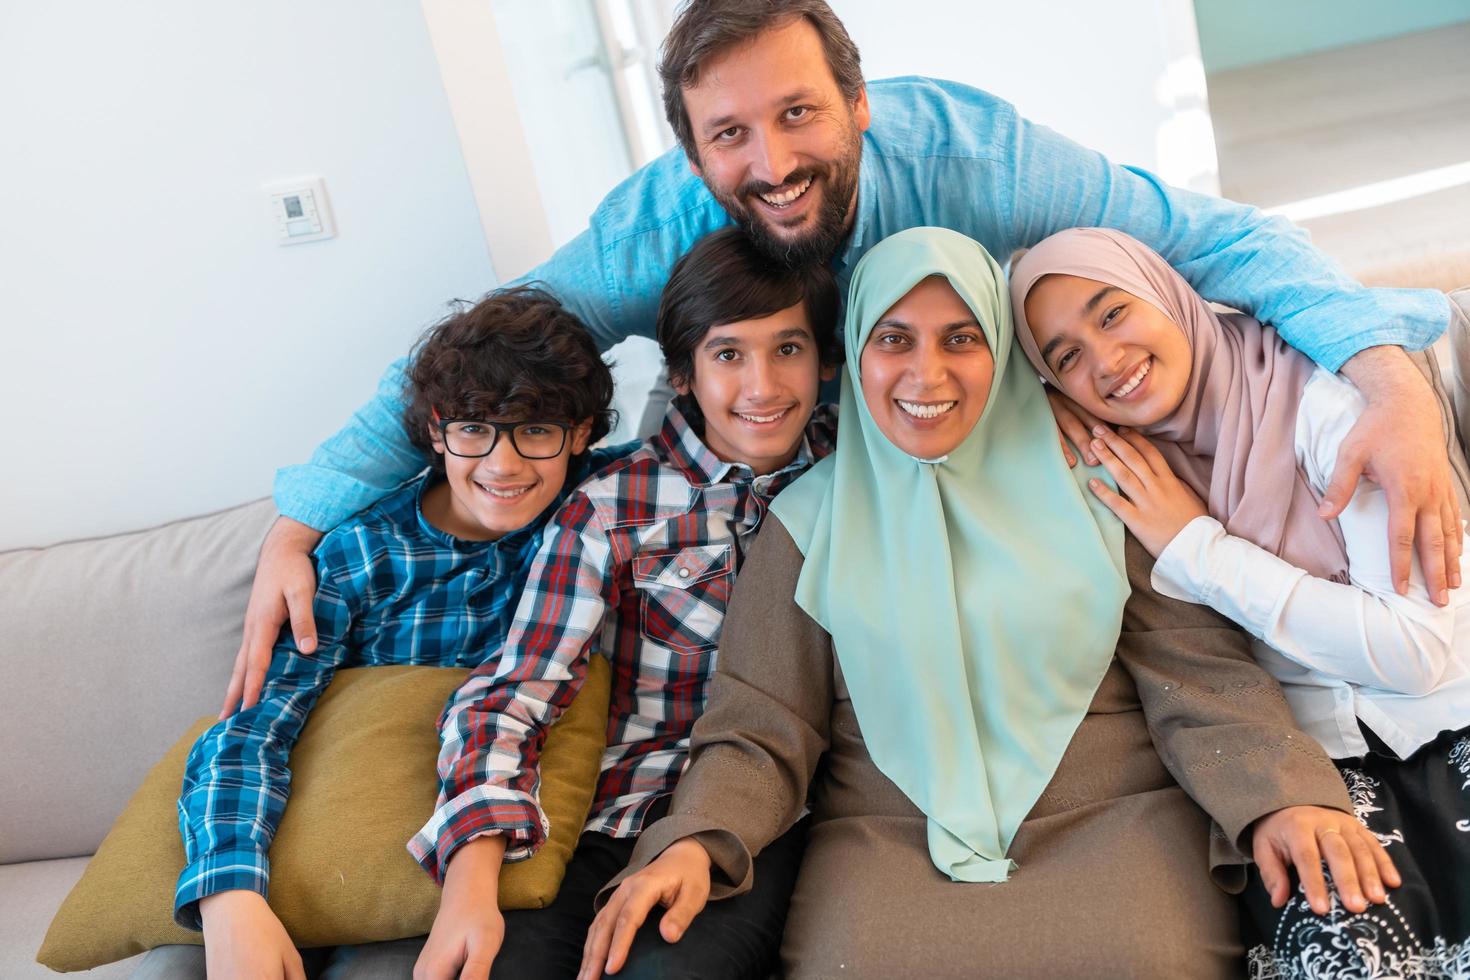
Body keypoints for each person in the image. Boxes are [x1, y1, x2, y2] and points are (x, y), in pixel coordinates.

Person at [226, 0, 1463, 717]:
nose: (769, 160)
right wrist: (303, 515)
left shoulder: (978, 153)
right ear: (694, 155)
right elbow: (495, 345)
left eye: (798, 113)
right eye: (730, 135)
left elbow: (1212, 236)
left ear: (859, 102)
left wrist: (1392, 374)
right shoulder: (657, 224)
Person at [580, 227, 1395, 979]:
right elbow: (760, 727)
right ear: (853, 358)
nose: (925, 374)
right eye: (893, 340)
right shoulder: (805, 523)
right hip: (887, 842)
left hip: (1115, 821)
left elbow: (1199, 675)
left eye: (960, 338)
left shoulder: (1103, 487)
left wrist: (1283, 796)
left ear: (1002, 349)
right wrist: (692, 843)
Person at [1008, 227, 1470, 978]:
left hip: (1450, 718)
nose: (1105, 360)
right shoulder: (1132, 465)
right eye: (1065, 358)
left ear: (1169, 295)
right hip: (1317, 765)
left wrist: (1197, 548)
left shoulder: (1328, 403)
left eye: (1112, 313)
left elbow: (1415, 656)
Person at [138, 287, 628, 980]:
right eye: (473, 429)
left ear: (580, 434)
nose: (504, 463)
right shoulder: (362, 553)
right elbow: (252, 728)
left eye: (537, 430)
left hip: (449, 865)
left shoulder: (602, 508)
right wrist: (231, 895)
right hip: (304, 842)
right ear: (435, 429)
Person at [407, 227, 840, 980]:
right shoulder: (612, 507)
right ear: (682, 374)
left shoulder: (856, 476)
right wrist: (468, 888)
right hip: (616, 811)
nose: (762, 386)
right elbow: (515, 695)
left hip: (762, 821)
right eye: (728, 354)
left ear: (828, 363)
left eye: (789, 350)